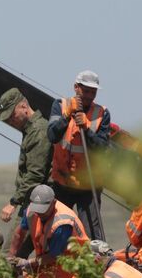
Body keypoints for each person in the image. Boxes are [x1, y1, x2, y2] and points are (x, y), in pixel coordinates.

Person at [48, 70, 111, 241]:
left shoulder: (102, 113)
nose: (90, 96)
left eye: (93, 92)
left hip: (88, 185)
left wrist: (85, 129)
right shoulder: (60, 106)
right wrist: (67, 115)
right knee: (56, 229)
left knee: (91, 235)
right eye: (86, 91)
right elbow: (52, 135)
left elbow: (102, 148)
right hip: (62, 183)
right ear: (76, 88)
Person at [0, 87, 53, 258]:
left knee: (10, 255)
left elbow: (35, 174)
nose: (10, 121)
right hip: (32, 201)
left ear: (23, 106)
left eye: (11, 115)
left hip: (36, 202)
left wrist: (13, 203)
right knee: (16, 256)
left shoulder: (38, 130)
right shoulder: (31, 130)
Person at [9, 184, 89, 278]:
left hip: (70, 267)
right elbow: (19, 234)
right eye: (38, 210)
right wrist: (11, 258)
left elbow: (54, 257)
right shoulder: (31, 211)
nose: (40, 213)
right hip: (46, 263)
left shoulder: (62, 223)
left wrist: (27, 263)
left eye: (43, 210)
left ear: (54, 203)